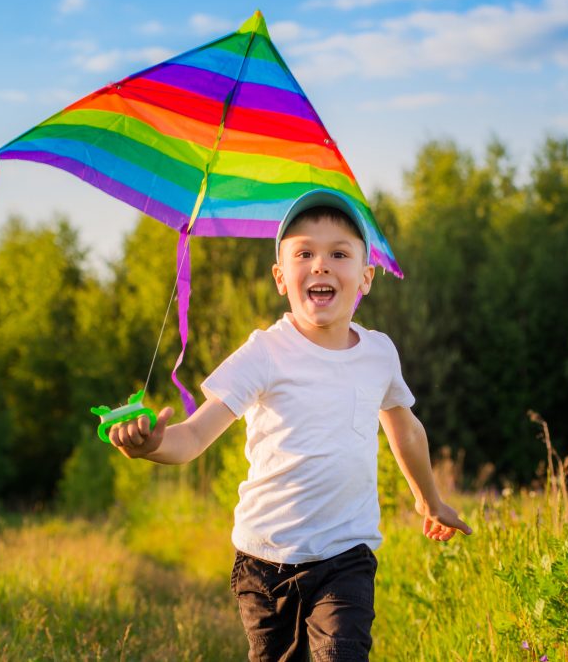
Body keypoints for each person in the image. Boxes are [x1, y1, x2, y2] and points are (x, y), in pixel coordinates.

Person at [107, 189, 473, 662]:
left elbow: (406, 430)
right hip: (265, 561)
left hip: (346, 555)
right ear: (282, 277)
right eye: (305, 253)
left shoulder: (379, 352)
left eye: (338, 253)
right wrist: (150, 445)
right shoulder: (264, 352)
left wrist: (429, 499)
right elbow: (194, 436)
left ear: (365, 277)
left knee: (342, 654)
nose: (321, 265)